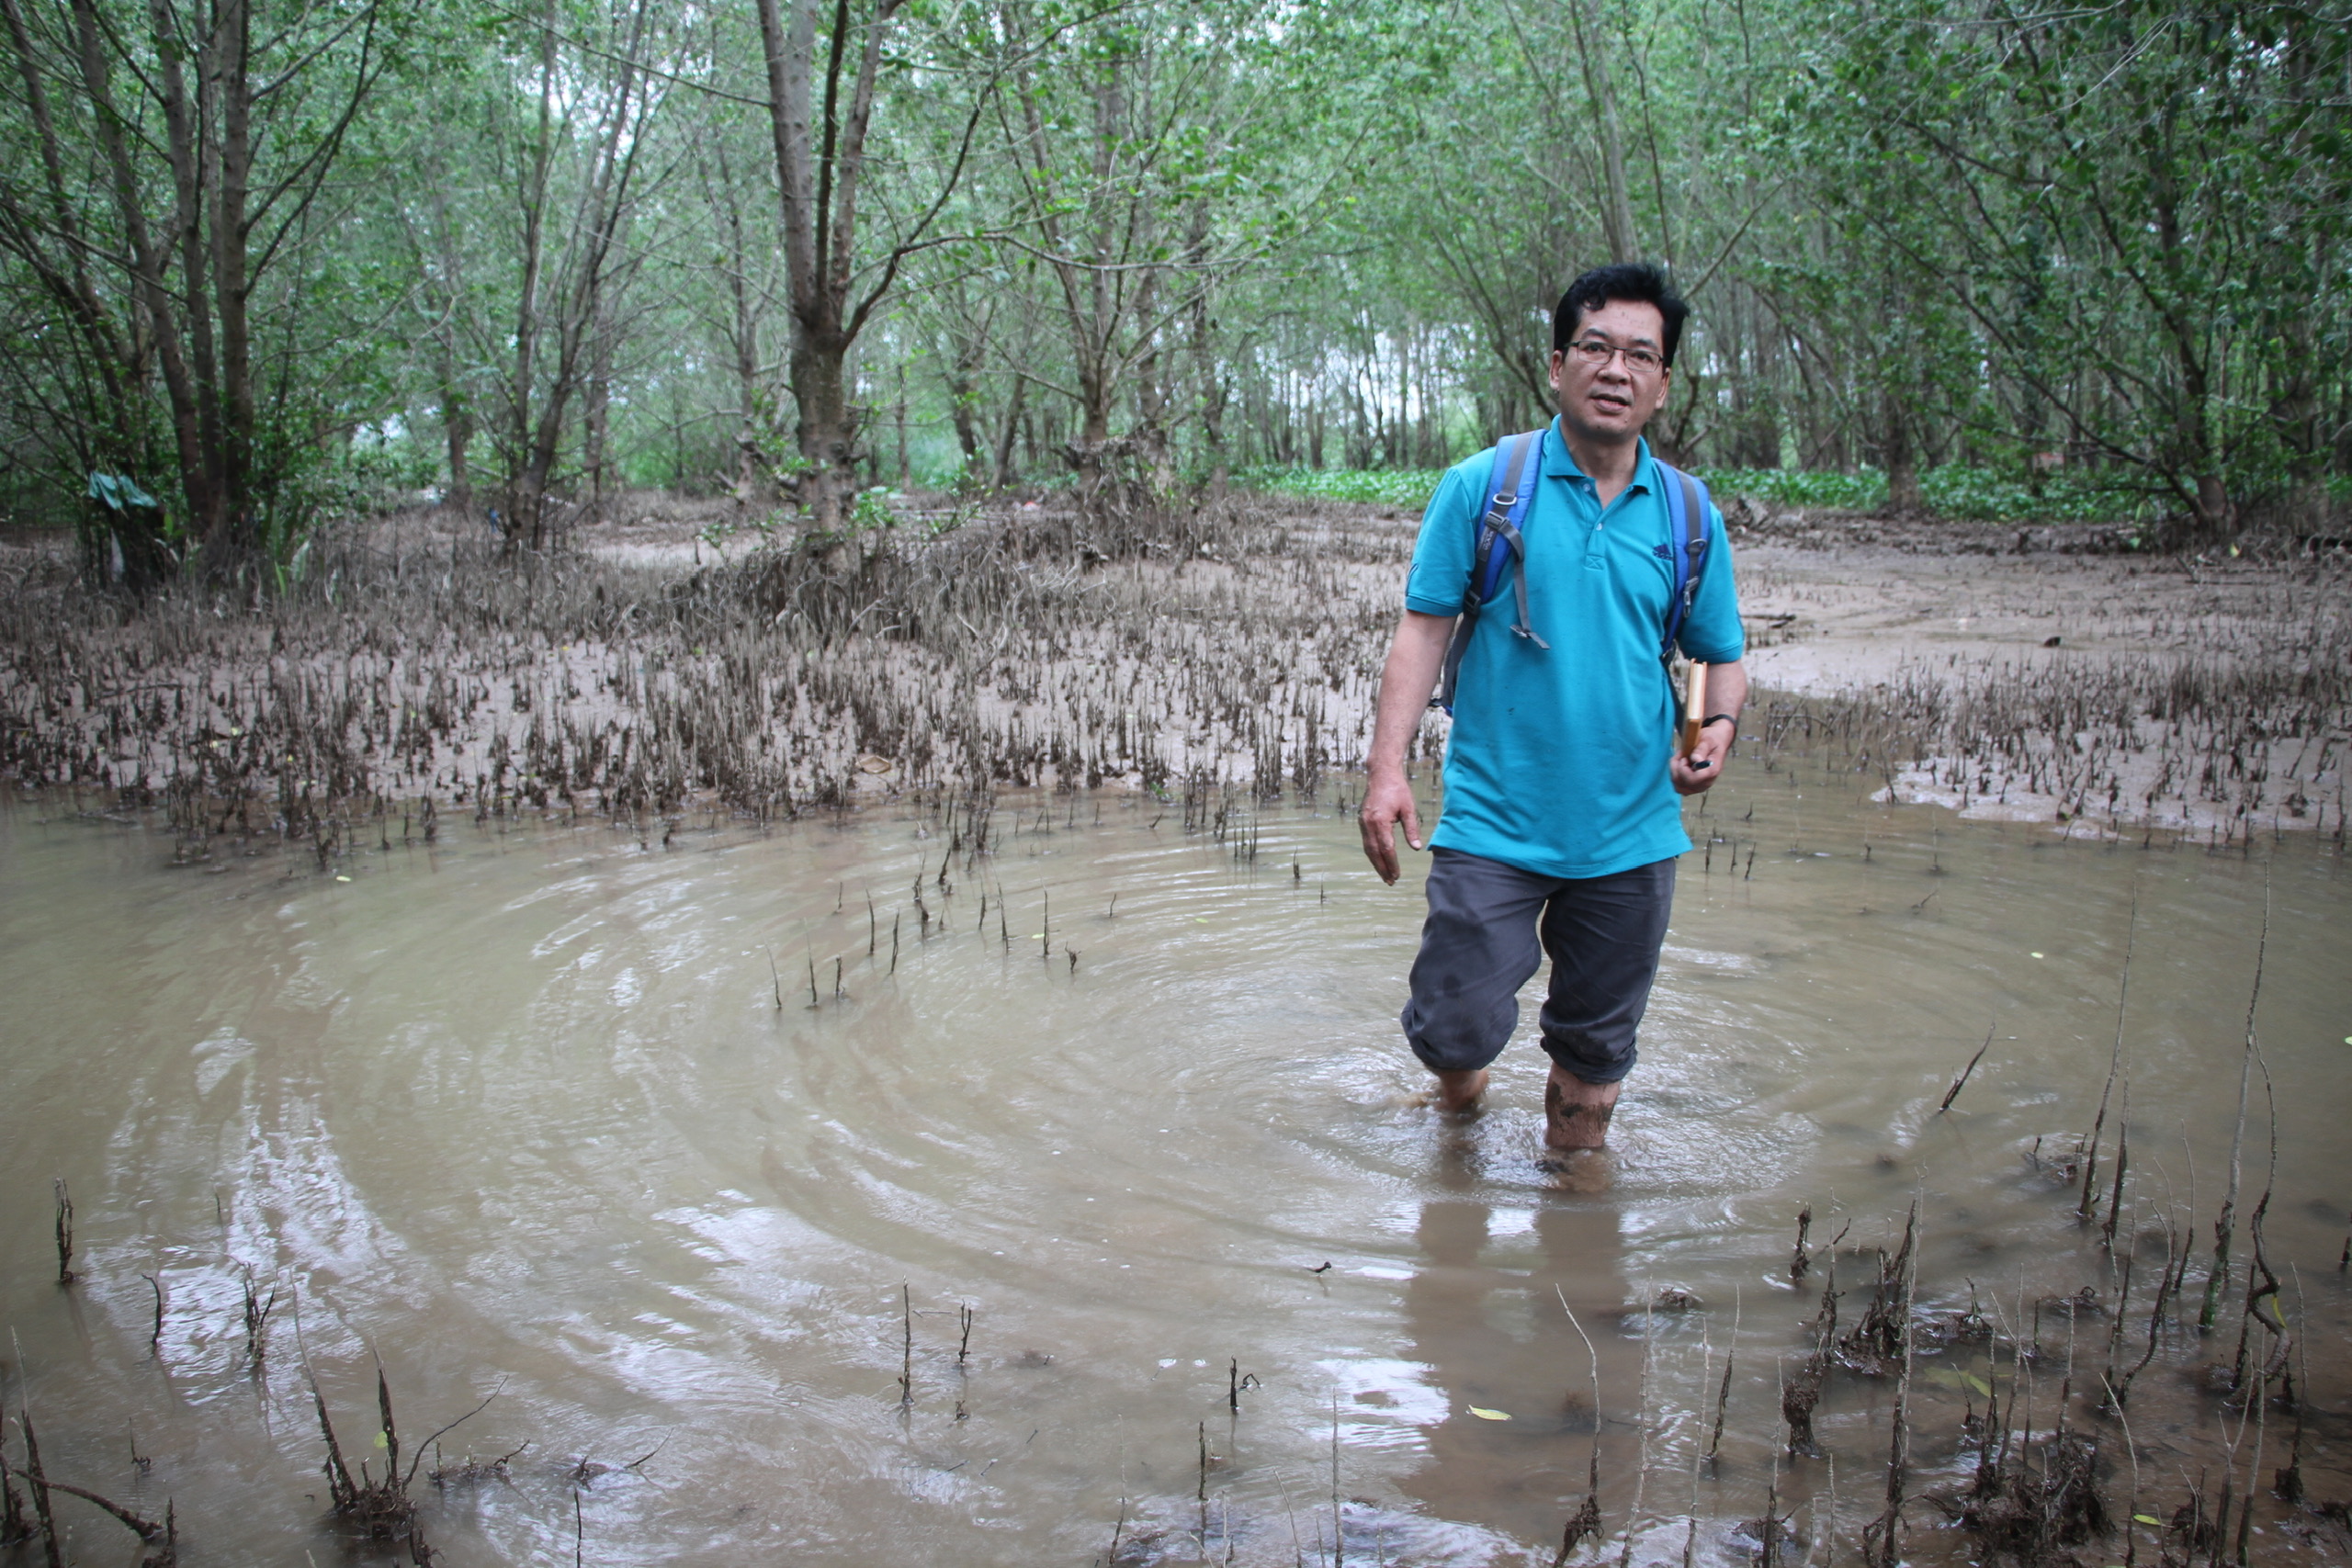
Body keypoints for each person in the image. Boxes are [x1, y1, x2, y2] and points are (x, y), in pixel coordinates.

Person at [1357, 263, 1747, 1163]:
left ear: (1663, 382)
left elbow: (1713, 654)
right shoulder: (1484, 487)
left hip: (1631, 832)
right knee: (1453, 1027)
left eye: (1640, 355)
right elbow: (1421, 632)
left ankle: (1574, 1196)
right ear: (1556, 364)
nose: (1615, 369)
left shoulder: (1689, 515)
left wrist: (1713, 731)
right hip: (1494, 820)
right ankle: (1458, 1105)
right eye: (1595, 347)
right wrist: (1386, 771)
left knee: (1595, 1054)